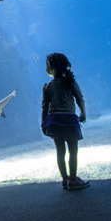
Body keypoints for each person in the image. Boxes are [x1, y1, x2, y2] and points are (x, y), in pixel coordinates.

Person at [41, 53, 90, 190]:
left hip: (54, 121)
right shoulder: (70, 82)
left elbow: (45, 107)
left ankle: (65, 180)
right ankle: (73, 181)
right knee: (73, 151)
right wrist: (83, 113)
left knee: (60, 152)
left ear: (51, 67)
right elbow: (79, 98)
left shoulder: (48, 86)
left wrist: (43, 123)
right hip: (69, 119)